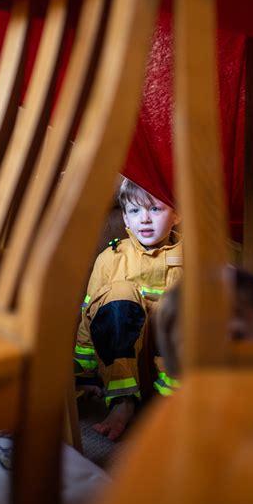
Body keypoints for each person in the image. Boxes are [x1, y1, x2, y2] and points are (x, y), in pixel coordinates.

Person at [74, 178, 182, 441]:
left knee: (194, 300)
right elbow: (89, 317)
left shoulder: (193, 256)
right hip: (120, 368)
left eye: (155, 209)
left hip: (170, 371)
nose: (144, 219)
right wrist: (84, 376)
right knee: (119, 291)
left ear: (177, 214)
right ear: (124, 218)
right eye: (134, 211)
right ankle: (123, 402)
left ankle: (170, 405)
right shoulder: (110, 258)